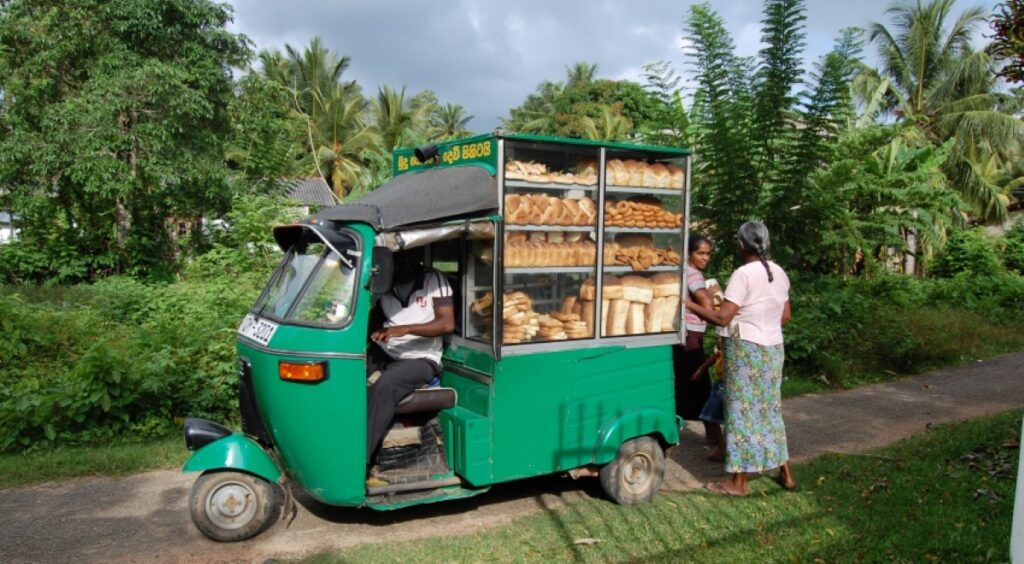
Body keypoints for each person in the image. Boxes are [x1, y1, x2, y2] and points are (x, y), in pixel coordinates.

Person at [685, 221, 796, 496]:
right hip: (773, 350)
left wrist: (686, 303)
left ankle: (738, 483)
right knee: (769, 410)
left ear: (741, 245)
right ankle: (786, 475)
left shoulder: (743, 274)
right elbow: (785, 316)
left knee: (741, 414)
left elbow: (722, 317)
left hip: (746, 350)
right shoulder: (779, 273)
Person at [366, 248, 454, 468]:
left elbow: (446, 323)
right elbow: (375, 320)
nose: (406, 261)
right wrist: (377, 330)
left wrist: (405, 329)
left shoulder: (434, 279)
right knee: (347, 370)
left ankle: (361, 459)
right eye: (400, 257)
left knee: (386, 384)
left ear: (419, 259)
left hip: (422, 358)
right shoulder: (384, 283)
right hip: (388, 352)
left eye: (411, 256)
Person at [673, 233, 724, 461]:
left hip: (686, 334)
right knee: (700, 385)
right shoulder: (693, 275)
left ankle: (707, 434)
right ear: (689, 253)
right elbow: (705, 303)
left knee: (687, 382)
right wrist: (711, 296)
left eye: (708, 253)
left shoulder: (684, 271)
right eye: (700, 253)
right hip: (691, 336)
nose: (705, 258)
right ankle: (714, 436)